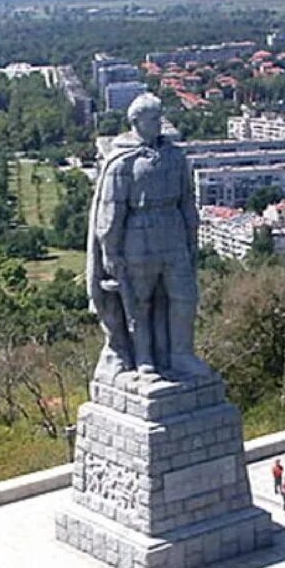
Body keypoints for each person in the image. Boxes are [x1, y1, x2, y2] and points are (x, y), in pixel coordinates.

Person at [86, 93, 209, 381]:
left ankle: (181, 355)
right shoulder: (122, 162)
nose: (159, 124)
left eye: (159, 117)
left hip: (173, 232)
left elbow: (188, 201)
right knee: (139, 302)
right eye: (152, 119)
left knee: (184, 297)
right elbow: (110, 209)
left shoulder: (176, 157)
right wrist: (110, 252)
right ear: (135, 122)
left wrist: (192, 238)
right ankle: (143, 359)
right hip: (137, 238)